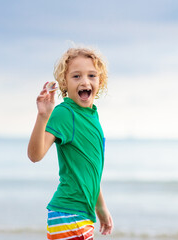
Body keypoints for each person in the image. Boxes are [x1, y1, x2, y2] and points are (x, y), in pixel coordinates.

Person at [27, 47, 113, 240]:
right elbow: (35, 155)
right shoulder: (65, 113)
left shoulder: (92, 116)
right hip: (69, 214)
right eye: (76, 76)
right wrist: (43, 116)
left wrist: (101, 207)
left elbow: (90, 169)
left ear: (101, 81)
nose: (85, 81)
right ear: (64, 82)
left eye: (92, 75)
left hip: (81, 215)